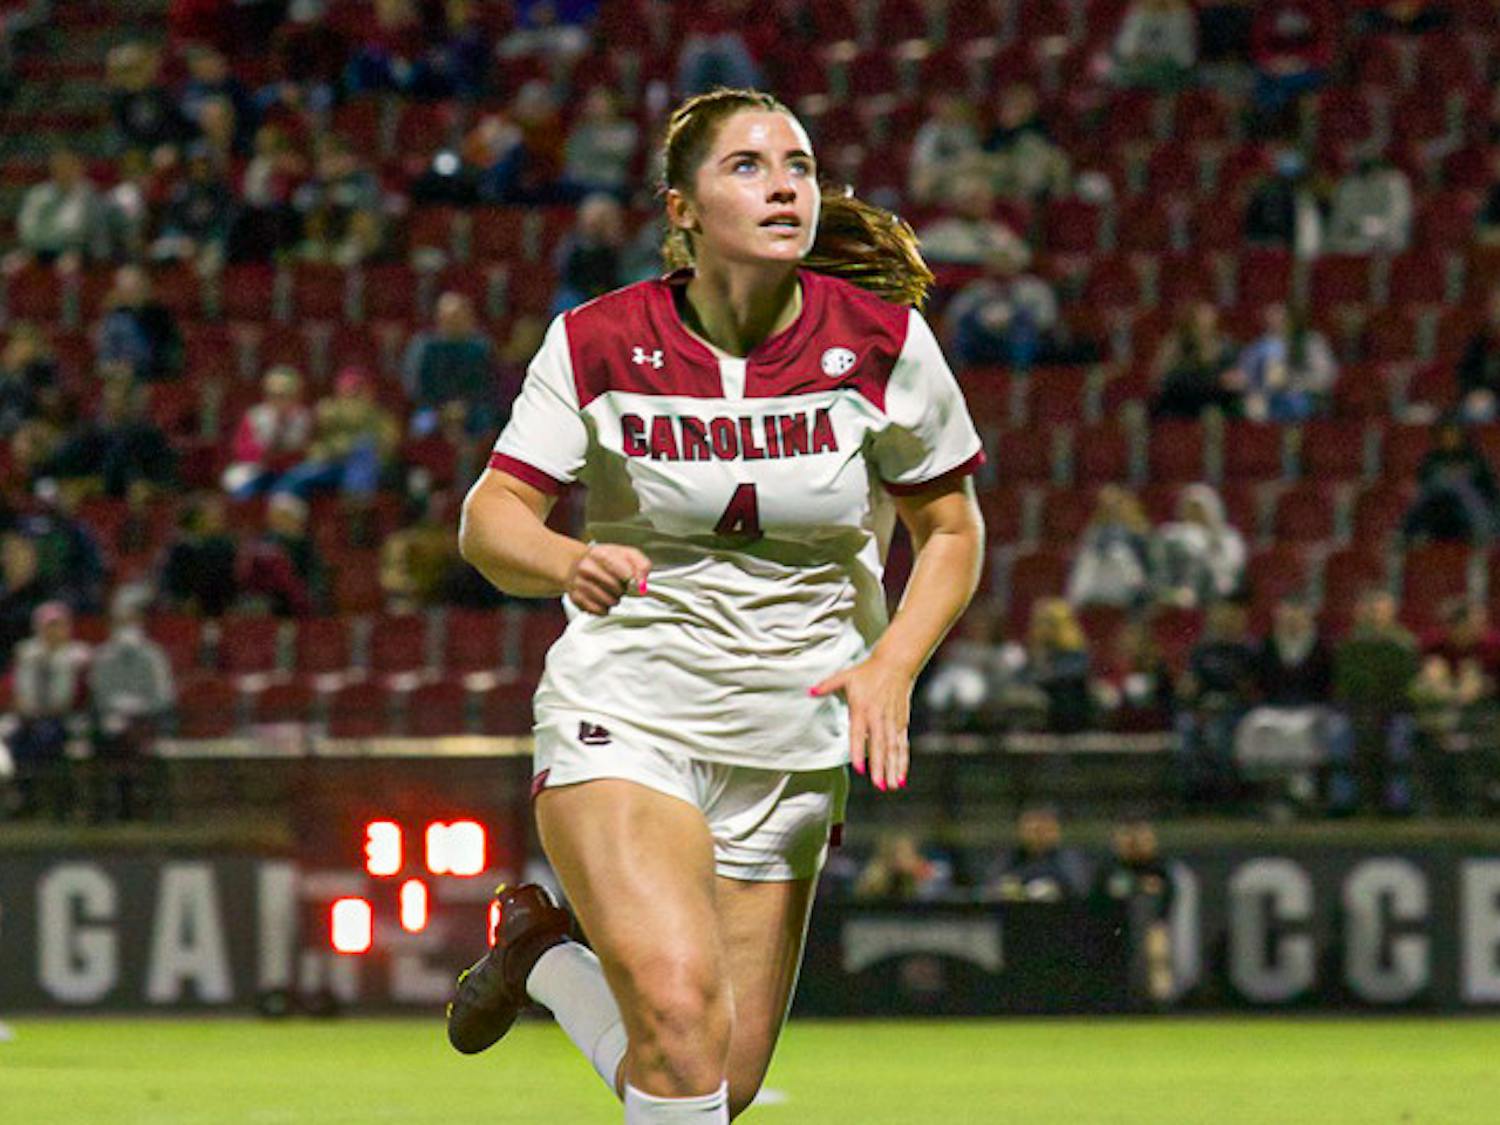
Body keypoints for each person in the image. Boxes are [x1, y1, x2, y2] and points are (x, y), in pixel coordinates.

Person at [445, 88, 985, 1123]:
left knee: (715, 1086)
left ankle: (542, 956)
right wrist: (564, 561)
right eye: (747, 165)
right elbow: (489, 522)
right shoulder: (598, 342)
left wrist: (894, 664)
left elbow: (953, 533)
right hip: (630, 709)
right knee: (682, 1029)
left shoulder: (885, 347)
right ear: (680, 206)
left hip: (792, 732)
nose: (784, 183)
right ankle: (553, 952)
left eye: (801, 165)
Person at [1401, 418, 1500, 546]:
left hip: (1467, 517)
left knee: (1462, 485)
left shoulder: (1476, 460)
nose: (1450, 439)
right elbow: (1423, 491)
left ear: (1462, 436)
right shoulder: (1431, 461)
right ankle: (1412, 534)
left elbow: (1489, 492)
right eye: (1446, 435)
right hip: (1438, 514)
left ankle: (1482, 533)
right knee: (1435, 485)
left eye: (1453, 434)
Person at [1235, 302, 1335, 422]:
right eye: (1271, 317)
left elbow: (1325, 376)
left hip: (1301, 394)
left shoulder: (1310, 342)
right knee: (1252, 407)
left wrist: (1291, 380)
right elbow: (1245, 375)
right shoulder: (1257, 347)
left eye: (1280, 317)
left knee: (1296, 404)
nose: (1275, 321)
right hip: (1266, 396)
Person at [1154, 484, 1247, 607]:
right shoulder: (1170, 535)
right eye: (1190, 508)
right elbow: (1161, 565)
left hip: (1217, 589)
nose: (1195, 513)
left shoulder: (1229, 538)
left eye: (1198, 509)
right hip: (1178, 587)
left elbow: (1232, 566)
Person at [1067, 485, 1154, 610]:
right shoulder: (1094, 532)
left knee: (1118, 554)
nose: (1111, 510)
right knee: (1088, 559)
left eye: (1115, 506)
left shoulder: (1139, 533)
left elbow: (1147, 568)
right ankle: (1076, 605)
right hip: (1095, 586)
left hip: (1129, 588)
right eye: (1105, 507)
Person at [983, 806, 1090, 902]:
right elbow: (992, 883)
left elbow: (1079, 887)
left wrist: (1051, 887)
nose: (1037, 837)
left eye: (1043, 830)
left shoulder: (1068, 857)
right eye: (1031, 830)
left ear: (1055, 832)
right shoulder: (1012, 855)